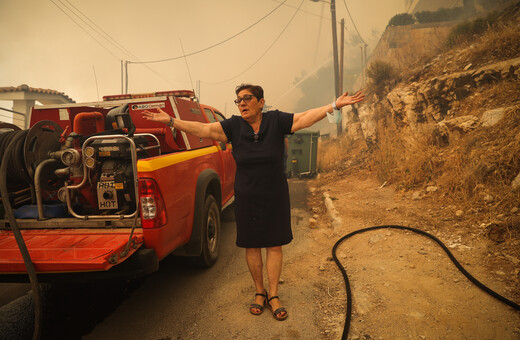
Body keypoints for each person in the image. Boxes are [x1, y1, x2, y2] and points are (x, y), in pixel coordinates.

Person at [143, 84, 364, 321]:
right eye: (238, 100)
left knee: (275, 245)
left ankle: (274, 295)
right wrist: (171, 121)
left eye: (247, 98)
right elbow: (204, 129)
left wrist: (333, 105)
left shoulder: (276, 121)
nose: (242, 103)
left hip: (275, 194)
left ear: (261, 102)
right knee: (252, 245)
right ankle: (260, 291)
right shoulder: (233, 127)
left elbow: (303, 119)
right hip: (247, 195)